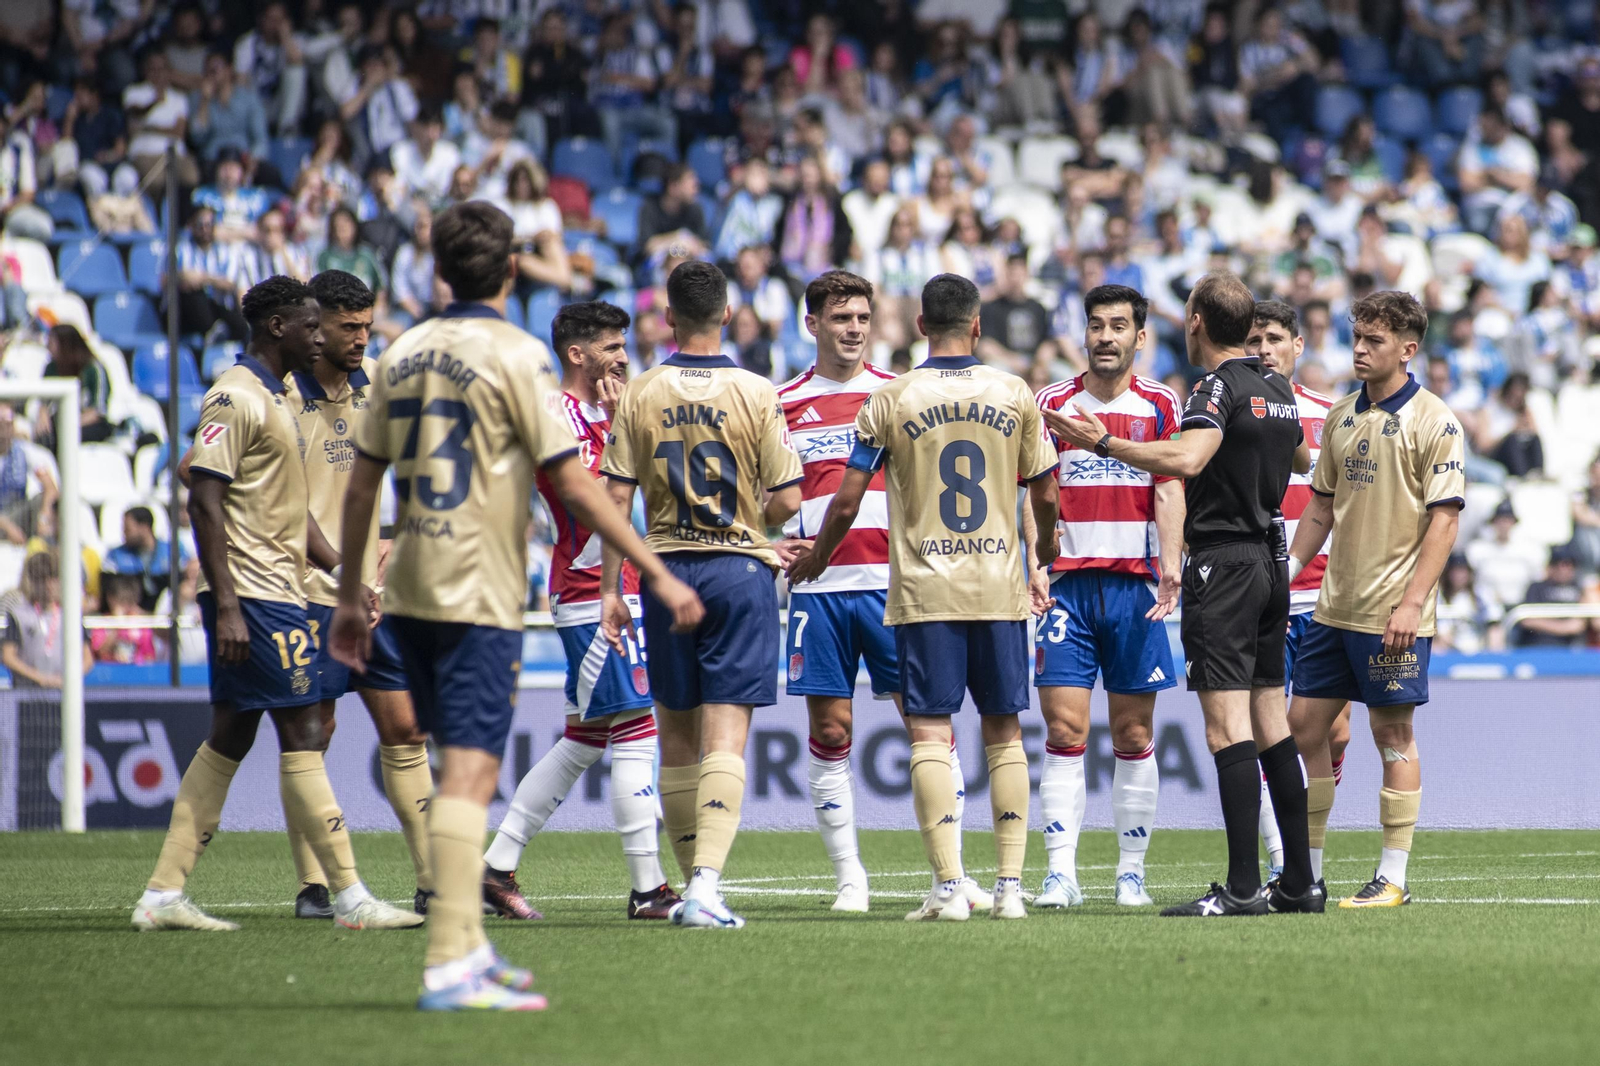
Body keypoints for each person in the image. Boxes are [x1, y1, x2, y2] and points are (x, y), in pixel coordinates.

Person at [328, 203, 702, 1009]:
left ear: (436, 271)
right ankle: (458, 955)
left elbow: (363, 483)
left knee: (561, 740)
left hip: (416, 583)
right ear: (509, 273)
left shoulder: (401, 354)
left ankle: (470, 935)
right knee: (478, 770)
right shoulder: (519, 358)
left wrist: (352, 594)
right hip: (490, 585)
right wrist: (659, 573)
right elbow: (575, 485)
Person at [131, 276, 421, 934]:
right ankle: (348, 896)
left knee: (230, 738)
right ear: (276, 328)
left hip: (279, 587)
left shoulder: (271, 398)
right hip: (256, 595)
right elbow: (201, 496)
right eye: (310, 325)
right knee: (304, 733)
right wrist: (227, 604)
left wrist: (348, 577)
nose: (321, 337)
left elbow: (291, 515)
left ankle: (163, 891)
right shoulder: (236, 396)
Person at [789, 273, 1060, 922]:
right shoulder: (1013, 391)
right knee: (1005, 733)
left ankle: (946, 888)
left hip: (920, 588)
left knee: (930, 735)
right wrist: (1043, 552)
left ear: (917, 328)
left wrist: (818, 555)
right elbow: (1046, 492)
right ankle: (1011, 890)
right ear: (977, 326)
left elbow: (848, 500)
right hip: (998, 586)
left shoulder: (893, 395)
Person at [1049, 272, 1318, 917]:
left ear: (1195, 320)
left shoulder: (1214, 388)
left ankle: (1244, 888)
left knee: (1228, 730)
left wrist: (1106, 443)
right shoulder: (1276, 387)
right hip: (1271, 558)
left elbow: (1189, 460)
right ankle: (1301, 883)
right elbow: (1304, 460)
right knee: (1271, 723)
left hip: (1223, 564)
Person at [599, 260, 803, 931]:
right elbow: (790, 500)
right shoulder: (755, 390)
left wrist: (612, 588)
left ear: (666, 317)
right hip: (739, 571)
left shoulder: (640, 391)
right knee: (724, 739)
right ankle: (707, 889)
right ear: (727, 313)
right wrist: (754, 520)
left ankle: (693, 888)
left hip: (664, 572)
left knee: (678, 741)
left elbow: (614, 498)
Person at [774, 271, 986, 915]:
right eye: (841, 318)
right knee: (830, 729)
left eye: (863, 318)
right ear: (812, 324)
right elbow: (769, 496)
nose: (854, 329)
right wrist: (771, 537)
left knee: (929, 729)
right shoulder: (780, 403)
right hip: (821, 592)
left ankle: (952, 873)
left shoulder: (899, 395)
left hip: (898, 590)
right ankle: (849, 878)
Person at [482, 302, 681, 923]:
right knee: (636, 729)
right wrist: (625, 429)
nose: (623, 356)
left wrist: (627, 425)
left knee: (586, 738)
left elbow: (644, 488)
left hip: (612, 586)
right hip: (590, 588)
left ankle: (495, 867)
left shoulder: (609, 411)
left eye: (623, 345)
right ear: (577, 353)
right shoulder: (555, 412)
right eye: (611, 346)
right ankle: (647, 888)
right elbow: (589, 493)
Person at [1286, 290, 1465, 909]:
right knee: (1302, 727)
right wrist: (1287, 571)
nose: (1360, 350)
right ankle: (1306, 872)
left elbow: (1444, 522)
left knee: (1392, 735)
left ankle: (1393, 875)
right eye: (1357, 337)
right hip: (1333, 608)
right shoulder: (1340, 416)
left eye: (1374, 341)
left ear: (1408, 349)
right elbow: (1322, 506)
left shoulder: (1435, 421)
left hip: (1394, 613)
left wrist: (1413, 603)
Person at [279, 270, 434, 919]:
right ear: (318, 326)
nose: (362, 339)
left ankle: (434, 880)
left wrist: (400, 541)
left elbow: (417, 475)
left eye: (369, 326)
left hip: (373, 591)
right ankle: (315, 885)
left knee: (405, 727)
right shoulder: (281, 396)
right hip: (305, 590)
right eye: (350, 328)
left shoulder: (379, 392)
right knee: (314, 732)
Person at [1025, 284, 1183, 909]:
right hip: (1067, 587)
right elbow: (1032, 489)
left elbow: (1170, 488)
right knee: (1063, 729)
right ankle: (1060, 872)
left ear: (1140, 336)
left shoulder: (1160, 404)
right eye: (1096, 325)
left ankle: (1130, 871)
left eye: (1119, 326)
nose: (1107, 337)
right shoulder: (1051, 403)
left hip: (1134, 588)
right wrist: (1035, 560)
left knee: (1133, 729)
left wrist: (1171, 565)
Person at [1245, 301, 1349, 885]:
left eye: (1275, 338)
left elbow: (1343, 503)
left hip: (1325, 596)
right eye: (1255, 338)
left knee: (1333, 732)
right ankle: (1287, 861)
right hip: (1260, 593)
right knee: (1268, 725)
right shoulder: (1230, 407)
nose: (1264, 348)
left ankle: (1309, 846)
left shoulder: (1330, 415)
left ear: (1298, 345)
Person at [0, 552, 92, 687]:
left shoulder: (71, 616)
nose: (48, 585)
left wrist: (68, 679)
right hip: (27, 692)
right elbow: (8, 656)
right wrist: (38, 677)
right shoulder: (19, 615)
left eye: (53, 579)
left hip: (64, 693)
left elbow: (87, 658)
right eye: (42, 579)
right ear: (32, 581)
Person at [101, 506, 197, 613]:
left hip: (166, 613)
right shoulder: (116, 555)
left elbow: (188, 578)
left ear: (144, 527)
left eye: (127, 529)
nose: (124, 533)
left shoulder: (173, 551)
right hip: (131, 615)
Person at [37, 325, 113, 449]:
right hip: (59, 422)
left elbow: (98, 410)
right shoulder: (51, 368)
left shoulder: (94, 369)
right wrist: (43, 414)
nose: (47, 347)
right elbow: (44, 402)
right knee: (44, 438)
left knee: (65, 438)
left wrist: (70, 424)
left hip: (88, 424)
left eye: (51, 343)